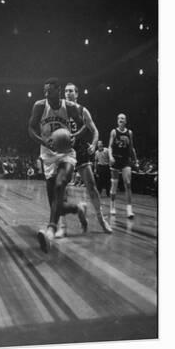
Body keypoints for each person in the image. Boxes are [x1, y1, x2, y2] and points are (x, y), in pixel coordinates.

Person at [28, 78, 87, 253]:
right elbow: (30, 129)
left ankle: (50, 230)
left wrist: (75, 135)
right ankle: (78, 208)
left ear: (58, 91)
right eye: (45, 91)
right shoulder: (39, 105)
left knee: (61, 184)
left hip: (66, 153)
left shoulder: (69, 106)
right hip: (47, 154)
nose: (46, 94)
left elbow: (84, 125)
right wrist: (43, 141)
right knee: (56, 204)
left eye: (50, 91)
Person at [63, 83, 112, 235]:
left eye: (71, 91)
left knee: (91, 187)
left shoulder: (82, 110)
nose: (68, 93)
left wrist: (94, 144)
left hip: (81, 150)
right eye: (66, 91)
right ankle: (62, 226)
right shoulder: (60, 110)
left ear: (76, 94)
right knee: (62, 188)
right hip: (65, 150)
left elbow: (95, 131)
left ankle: (101, 219)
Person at [108, 113, 139, 218]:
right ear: (117, 121)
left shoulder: (129, 133)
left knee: (128, 183)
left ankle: (129, 210)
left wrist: (136, 160)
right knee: (114, 186)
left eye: (123, 118)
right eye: (119, 118)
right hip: (115, 160)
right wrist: (111, 156)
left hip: (126, 160)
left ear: (125, 121)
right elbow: (110, 146)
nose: (121, 119)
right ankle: (112, 206)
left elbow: (131, 148)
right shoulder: (114, 132)